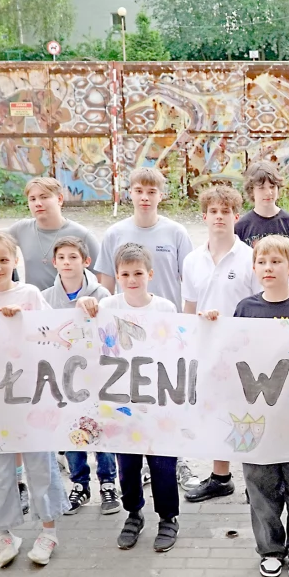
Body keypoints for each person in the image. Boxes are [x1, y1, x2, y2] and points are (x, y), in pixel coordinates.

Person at [209, 235, 289, 577]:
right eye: (262, 262)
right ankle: (270, 549)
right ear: (254, 268)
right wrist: (210, 324)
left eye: (276, 262)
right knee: (260, 487)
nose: (268, 268)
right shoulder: (245, 309)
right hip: (254, 416)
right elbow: (228, 351)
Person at [0, 231, 69, 567]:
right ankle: (3, 533)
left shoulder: (30, 294)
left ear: (15, 260)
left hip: (31, 394)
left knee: (40, 463)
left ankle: (48, 531)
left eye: (3, 260)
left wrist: (24, 319)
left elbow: (54, 336)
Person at [95, 167, 195, 490]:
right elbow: (105, 286)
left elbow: (189, 282)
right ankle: (134, 470)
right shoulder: (115, 233)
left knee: (164, 398)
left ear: (161, 195)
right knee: (131, 401)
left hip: (163, 332)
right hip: (125, 337)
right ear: (130, 193)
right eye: (139, 191)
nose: (145, 197)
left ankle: (177, 459)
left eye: (151, 192)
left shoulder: (176, 233)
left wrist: (186, 328)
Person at [78, 244, 182, 553]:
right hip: (121, 403)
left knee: (163, 463)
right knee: (127, 465)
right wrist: (84, 303)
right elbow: (88, 329)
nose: (132, 279)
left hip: (157, 400)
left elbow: (178, 346)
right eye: (124, 274)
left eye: (138, 273)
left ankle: (168, 517)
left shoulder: (165, 308)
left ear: (150, 274)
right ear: (117, 276)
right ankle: (134, 513)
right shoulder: (107, 306)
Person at [181, 185, 262, 503]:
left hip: (244, 350)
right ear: (204, 216)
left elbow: (261, 304)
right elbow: (189, 307)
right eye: (213, 211)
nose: (219, 216)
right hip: (207, 350)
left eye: (225, 211)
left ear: (236, 216)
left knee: (247, 413)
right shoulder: (192, 260)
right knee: (217, 413)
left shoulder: (250, 258)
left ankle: (256, 481)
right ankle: (220, 477)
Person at [41, 236, 118, 517]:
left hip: (96, 373)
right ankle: (80, 484)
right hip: (63, 375)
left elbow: (110, 333)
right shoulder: (46, 298)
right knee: (71, 428)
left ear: (86, 261)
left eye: (73, 257)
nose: (67, 262)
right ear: (54, 262)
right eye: (61, 258)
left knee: (101, 427)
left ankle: (108, 483)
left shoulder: (102, 295)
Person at [7, 177, 102, 289]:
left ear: (60, 199)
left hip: (70, 299)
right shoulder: (21, 229)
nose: (38, 203)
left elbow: (100, 277)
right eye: (32, 199)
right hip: (34, 299)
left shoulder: (83, 235)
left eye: (44, 197)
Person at [234, 162, 289, 246]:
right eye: (261, 188)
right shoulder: (241, 227)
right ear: (251, 191)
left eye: (272, 186)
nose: (268, 192)